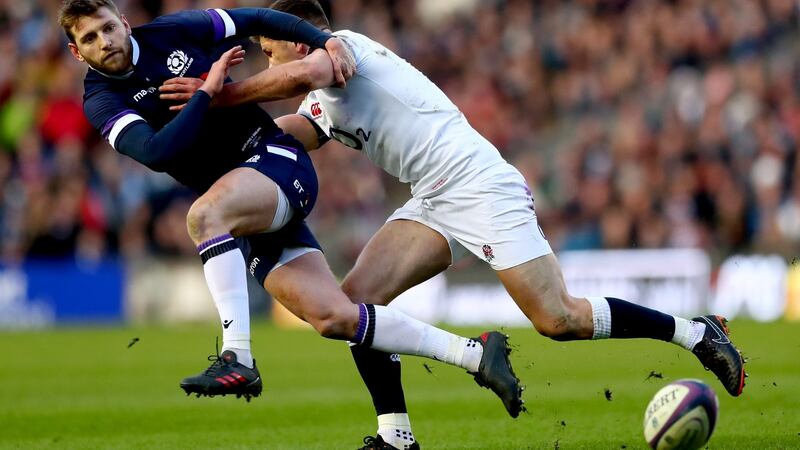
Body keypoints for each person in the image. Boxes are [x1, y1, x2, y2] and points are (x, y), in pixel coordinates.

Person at [160, 1, 747, 449]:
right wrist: (191, 126)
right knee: (359, 305)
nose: (267, 60)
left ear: (294, 40)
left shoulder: (343, 50)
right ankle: (397, 437)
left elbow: (297, 77)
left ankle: (695, 333)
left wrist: (222, 95)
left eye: (269, 48)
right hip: (432, 200)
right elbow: (274, 140)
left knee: (558, 319)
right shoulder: (319, 101)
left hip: (478, 184)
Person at [59, 0, 521, 429]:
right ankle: (475, 355)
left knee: (203, 218)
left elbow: (261, 17)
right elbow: (157, 152)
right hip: (243, 204)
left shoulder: (174, 30)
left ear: (123, 21)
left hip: (273, 160)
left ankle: (236, 355)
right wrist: (207, 94)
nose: (106, 41)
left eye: (108, 27)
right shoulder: (100, 100)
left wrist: (326, 42)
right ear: (76, 52)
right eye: (91, 38)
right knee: (335, 318)